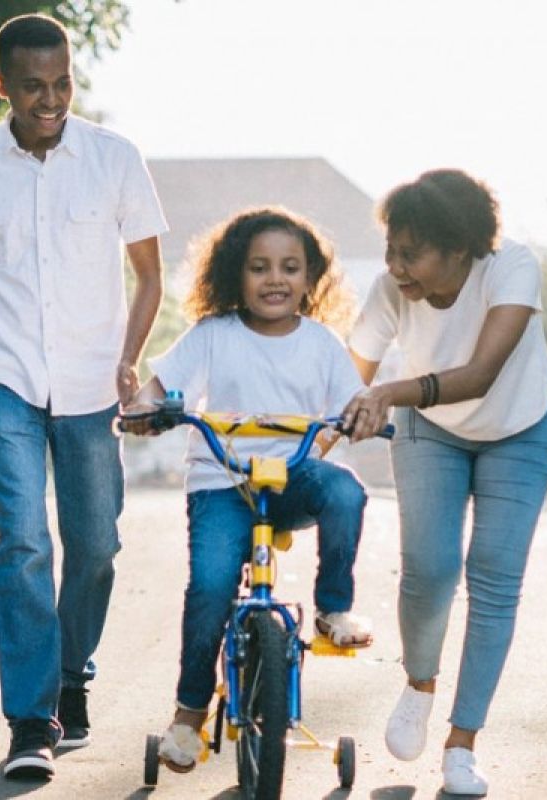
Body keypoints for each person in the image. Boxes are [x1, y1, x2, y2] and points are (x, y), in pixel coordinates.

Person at [0, 13, 167, 781]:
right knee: (25, 542)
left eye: (62, 83)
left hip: (94, 382)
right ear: (2, 84)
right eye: (33, 86)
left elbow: (149, 274)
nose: (51, 99)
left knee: (95, 546)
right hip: (6, 381)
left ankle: (71, 676)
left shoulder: (114, 157)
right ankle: (32, 718)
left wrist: (130, 359)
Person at [122, 207, 378, 773]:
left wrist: (362, 416)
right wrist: (146, 407)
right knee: (212, 587)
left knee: (346, 492)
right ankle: (188, 717)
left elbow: (350, 403)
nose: (275, 279)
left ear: (310, 278)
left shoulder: (321, 343)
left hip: (291, 478)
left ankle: (333, 609)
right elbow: (160, 387)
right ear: (236, 275)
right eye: (259, 267)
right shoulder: (213, 335)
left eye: (290, 267)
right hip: (222, 482)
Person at [343, 168, 547, 796]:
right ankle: (419, 682)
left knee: (494, 574)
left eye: (411, 253)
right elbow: (345, 377)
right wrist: (318, 434)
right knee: (431, 567)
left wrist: (388, 391)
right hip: (431, 431)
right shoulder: (391, 290)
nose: (395, 266)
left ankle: (462, 744)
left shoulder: (510, 269)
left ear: (460, 249)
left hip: (521, 426)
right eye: (391, 248)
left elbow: (481, 373)